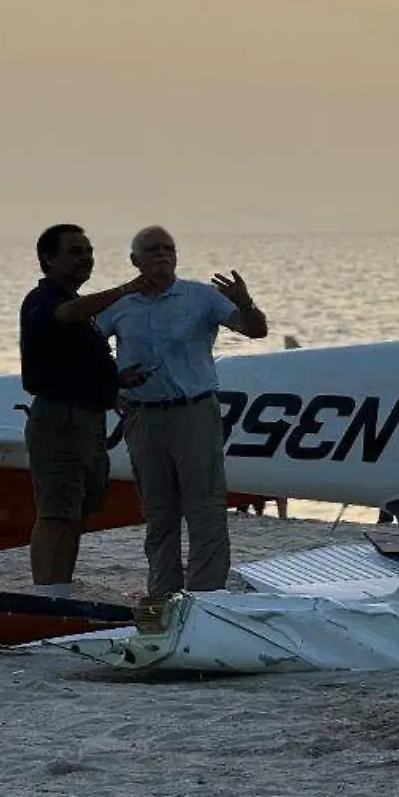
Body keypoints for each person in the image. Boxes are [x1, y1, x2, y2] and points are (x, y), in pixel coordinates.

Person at [96, 225, 266, 623]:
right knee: (159, 512)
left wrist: (246, 302)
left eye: (168, 248)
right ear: (135, 260)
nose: (162, 255)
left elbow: (255, 330)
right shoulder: (121, 304)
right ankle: (165, 597)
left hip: (194, 412)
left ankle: (207, 599)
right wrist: (110, 386)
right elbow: (88, 347)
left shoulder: (200, 296)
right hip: (144, 417)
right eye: (152, 250)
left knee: (205, 506)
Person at [20, 224, 151, 599]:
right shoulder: (44, 300)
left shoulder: (82, 313)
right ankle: (46, 595)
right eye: (75, 252)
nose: (86, 259)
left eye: (89, 251)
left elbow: (74, 362)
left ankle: (59, 587)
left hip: (89, 420)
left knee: (76, 510)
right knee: (56, 512)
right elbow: (65, 315)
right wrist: (126, 290)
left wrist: (115, 383)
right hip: (60, 420)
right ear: (49, 258)